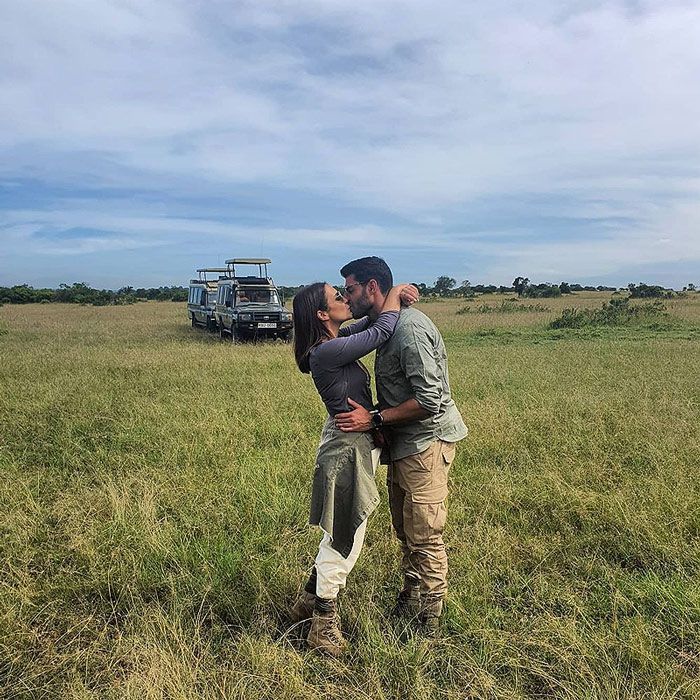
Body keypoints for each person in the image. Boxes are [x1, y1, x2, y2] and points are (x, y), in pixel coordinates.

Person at [335, 256, 468, 636]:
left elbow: (430, 401)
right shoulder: (385, 321)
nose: (347, 297)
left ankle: (431, 617)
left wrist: (373, 418)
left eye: (351, 290)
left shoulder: (407, 330)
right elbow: (344, 336)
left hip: (426, 441)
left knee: (424, 530)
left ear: (371, 288)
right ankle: (411, 596)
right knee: (404, 528)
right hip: (405, 443)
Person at [290, 280, 418, 655]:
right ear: (321, 314)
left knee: (341, 529)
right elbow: (379, 331)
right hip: (347, 450)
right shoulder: (324, 352)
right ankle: (323, 625)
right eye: (338, 297)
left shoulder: (333, 342)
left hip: (353, 446)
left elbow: (366, 325)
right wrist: (393, 296)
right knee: (346, 537)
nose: (346, 300)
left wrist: (387, 302)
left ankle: (306, 605)